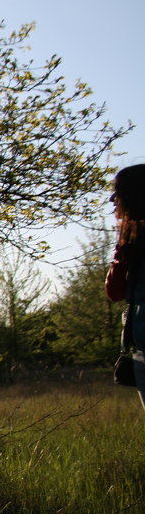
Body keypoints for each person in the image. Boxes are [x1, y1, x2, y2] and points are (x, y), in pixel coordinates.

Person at [105, 163, 145, 408]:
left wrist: (122, 248)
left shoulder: (132, 243)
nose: (114, 202)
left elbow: (114, 291)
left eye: (116, 196)